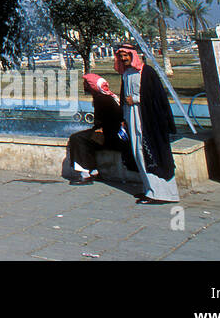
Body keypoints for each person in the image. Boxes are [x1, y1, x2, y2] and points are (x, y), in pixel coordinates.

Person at [114, 45, 179, 204]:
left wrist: (135, 99)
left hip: (147, 119)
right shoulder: (127, 74)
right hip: (132, 117)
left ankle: (163, 193)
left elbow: (157, 97)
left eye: (126, 55)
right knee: (138, 153)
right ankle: (150, 190)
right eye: (121, 56)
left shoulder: (147, 72)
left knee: (150, 152)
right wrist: (124, 118)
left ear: (133, 55)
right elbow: (124, 97)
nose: (123, 58)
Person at [65, 73, 128, 183]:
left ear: (92, 86)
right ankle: (93, 171)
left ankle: (85, 174)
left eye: (86, 84)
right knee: (85, 137)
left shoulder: (101, 99)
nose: (84, 86)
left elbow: (111, 121)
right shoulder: (104, 97)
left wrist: (100, 129)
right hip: (111, 133)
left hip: (111, 136)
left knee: (77, 138)